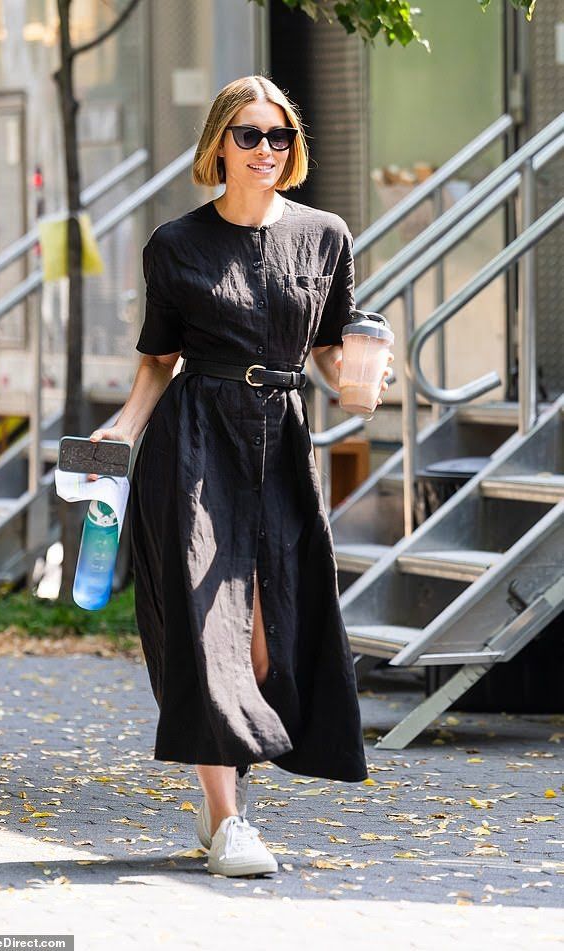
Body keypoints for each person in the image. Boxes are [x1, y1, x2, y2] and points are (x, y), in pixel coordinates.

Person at [87, 74, 393, 878]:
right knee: (205, 626)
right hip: (193, 440)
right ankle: (228, 822)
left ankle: (223, 795)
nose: (267, 149)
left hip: (283, 440)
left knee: (269, 636)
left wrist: (358, 381)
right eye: (251, 135)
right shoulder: (176, 245)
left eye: (281, 135)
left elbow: (330, 349)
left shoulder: (325, 235)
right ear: (219, 143)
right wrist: (123, 426)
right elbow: (159, 361)